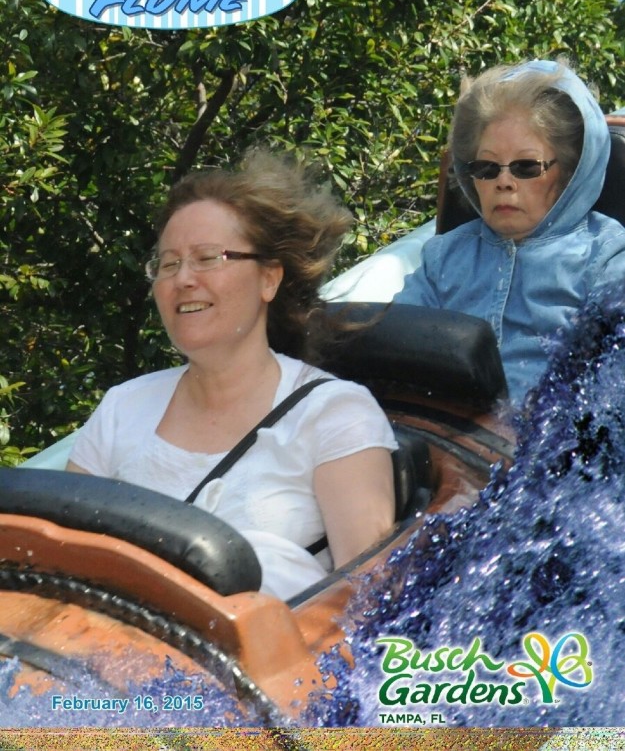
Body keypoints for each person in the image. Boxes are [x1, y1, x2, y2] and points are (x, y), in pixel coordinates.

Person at [66, 150, 396, 600]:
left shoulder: (337, 415)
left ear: (269, 280)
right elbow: (55, 561)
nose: (183, 278)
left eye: (207, 258)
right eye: (167, 263)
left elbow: (367, 604)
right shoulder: (123, 407)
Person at [394, 59, 625, 405]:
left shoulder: (607, 256)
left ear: (569, 173)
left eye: (526, 167)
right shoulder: (443, 255)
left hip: (553, 447)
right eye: (487, 168)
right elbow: (394, 345)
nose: (504, 182)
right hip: (442, 433)